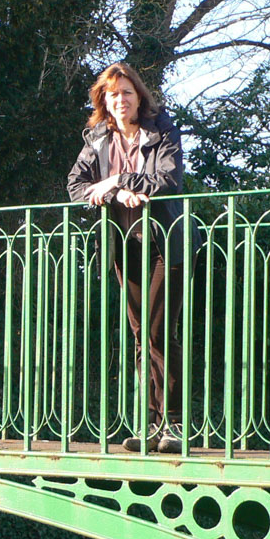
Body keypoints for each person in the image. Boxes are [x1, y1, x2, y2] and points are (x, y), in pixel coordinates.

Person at [66, 62, 186, 453]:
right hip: (125, 243)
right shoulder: (98, 138)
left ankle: (174, 424)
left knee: (158, 332)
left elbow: (167, 180)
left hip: (165, 242)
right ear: (104, 99)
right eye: (113, 94)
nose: (121, 100)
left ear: (139, 97)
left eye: (127, 93)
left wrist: (117, 179)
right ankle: (152, 425)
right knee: (140, 334)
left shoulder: (162, 129)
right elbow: (76, 185)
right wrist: (116, 194)